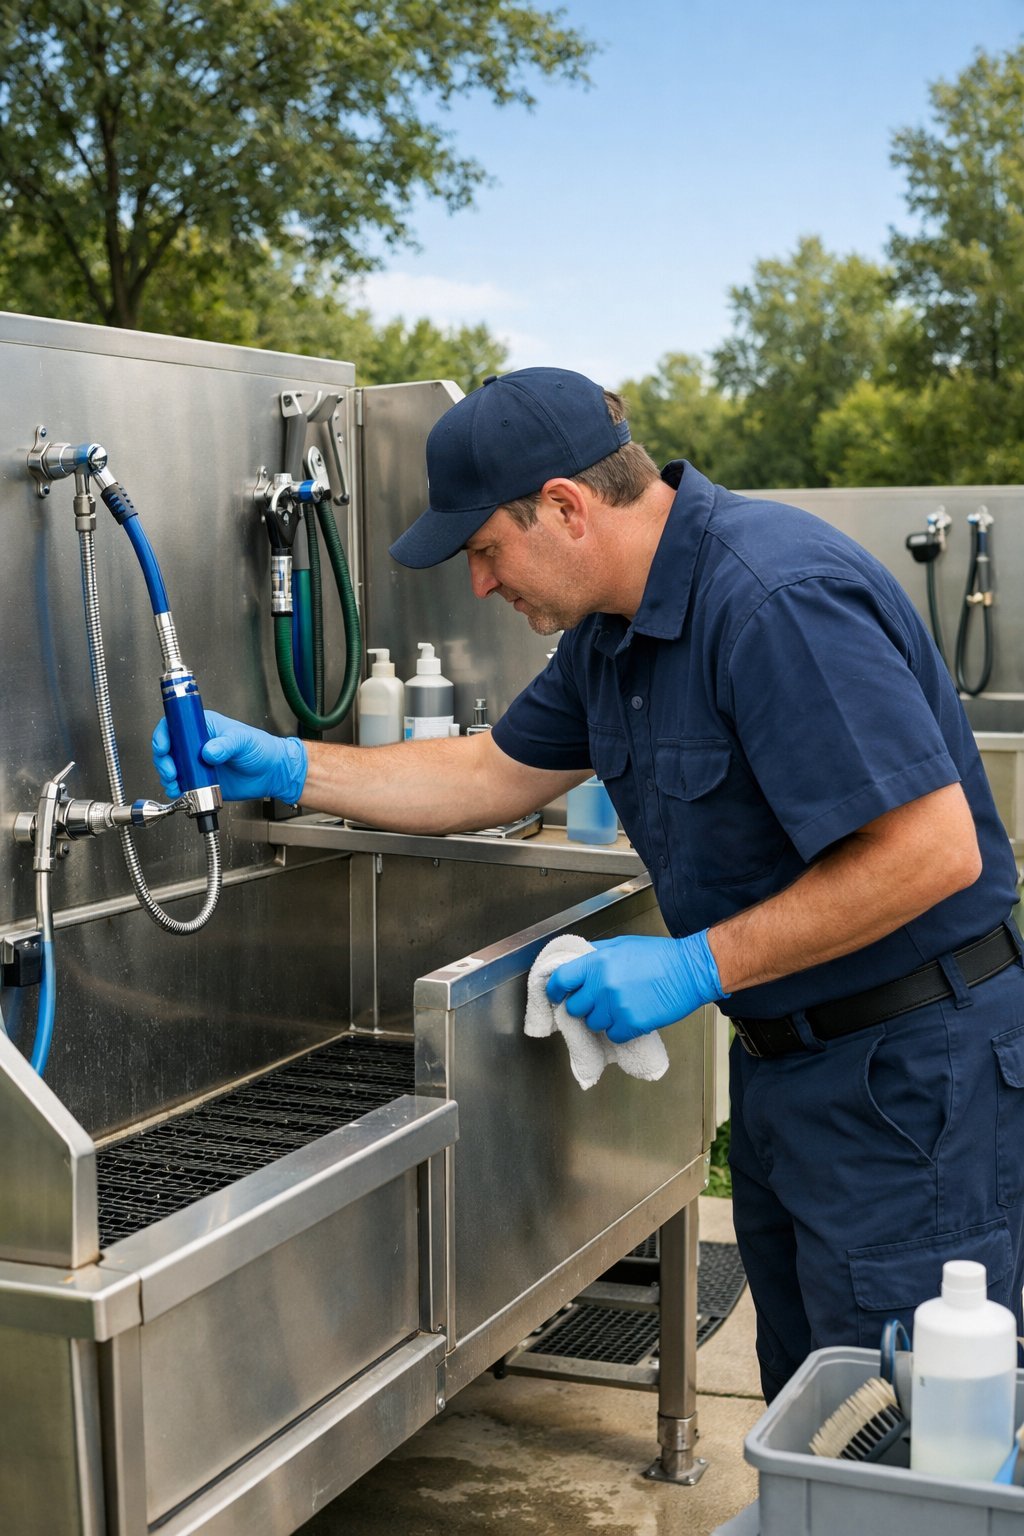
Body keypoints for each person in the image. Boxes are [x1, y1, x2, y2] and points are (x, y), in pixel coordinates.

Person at [153, 367, 1024, 1402]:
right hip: (792, 1073)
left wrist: (697, 963)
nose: (479, 583)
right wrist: (292, 766)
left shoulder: (771, 600)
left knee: (917, 1425)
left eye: (485, 550)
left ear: (565, 506)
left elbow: (932, 853)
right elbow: (491, 773)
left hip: (914, 1080)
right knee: (817, 1407)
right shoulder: (613, 635)